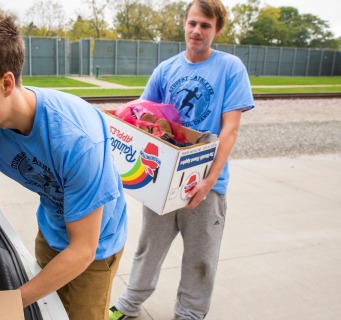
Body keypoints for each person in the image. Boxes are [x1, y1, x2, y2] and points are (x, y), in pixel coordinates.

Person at [0, 9, 127, 320]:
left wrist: (9, 303)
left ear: (5, 83)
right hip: (51, 231)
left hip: (97, 250)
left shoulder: (76, 140)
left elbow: (83, 249)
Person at [109, 0, 254, 319]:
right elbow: (145, 119)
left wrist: (210, 180)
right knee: (149, 248)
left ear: (217, 30)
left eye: (205, 25)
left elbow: (229, 129)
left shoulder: (230, 68)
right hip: (163, 179)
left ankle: (190, 313)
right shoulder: (166, 70)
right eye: (192, 23)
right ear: (184, 24)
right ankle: (129, 304)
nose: (196, 31)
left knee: (201, 258)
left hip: (206, 182)